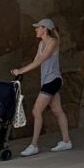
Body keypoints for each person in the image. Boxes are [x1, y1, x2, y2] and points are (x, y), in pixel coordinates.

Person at [12, 18, 71, 155]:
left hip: (53, 80)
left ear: (45, 29)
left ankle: (34, 145)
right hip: (47, 81)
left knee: (36, 111)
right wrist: (21, 70)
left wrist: (20, 71)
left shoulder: (53, 42)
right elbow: (35, 61)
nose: (36, 30)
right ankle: (66, 141)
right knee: (57, 110)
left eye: (38, 27)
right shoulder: (41, 44)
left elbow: (40, 60)